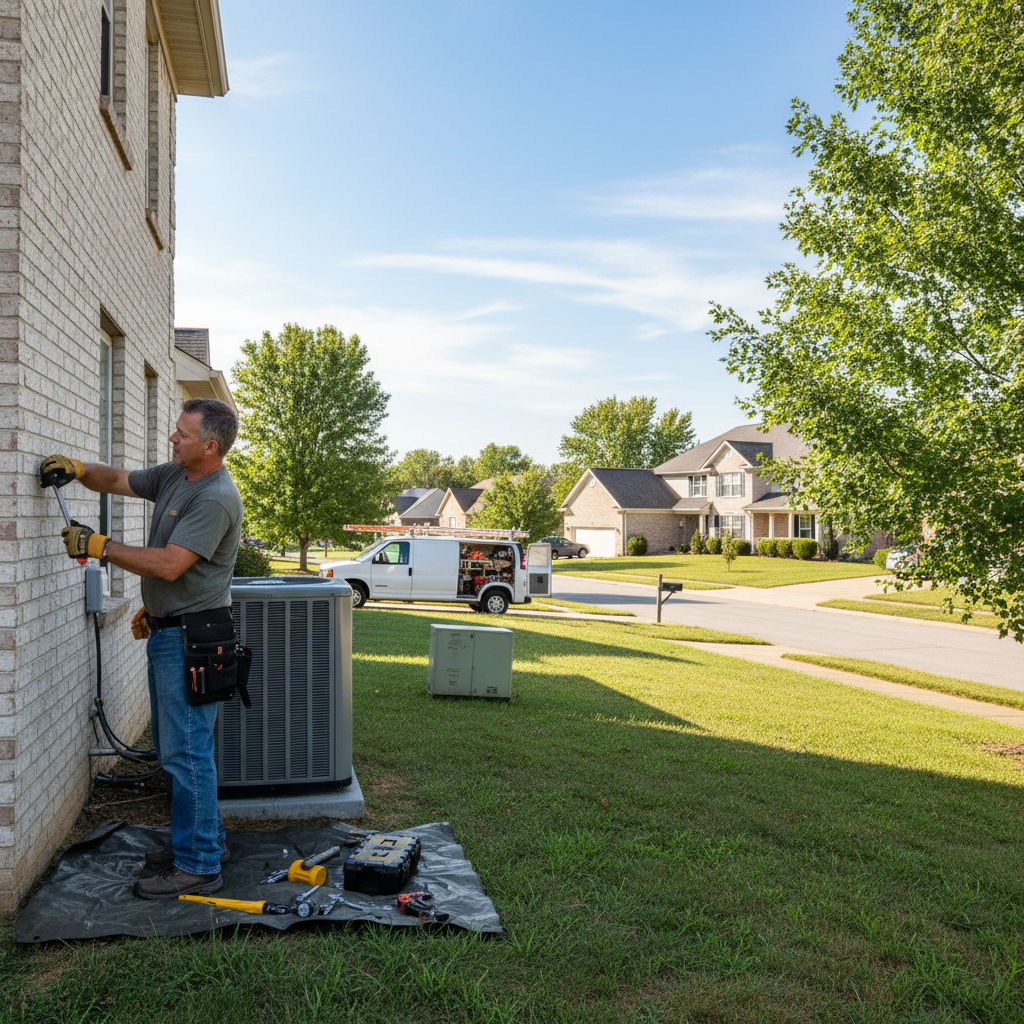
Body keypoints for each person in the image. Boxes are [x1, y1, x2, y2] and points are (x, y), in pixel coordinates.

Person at [40, 398, 242, 899]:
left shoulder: (215, 496)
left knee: (185, 754)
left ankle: (198, 864)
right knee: (186, 750)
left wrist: (98, 546)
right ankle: (203, 841)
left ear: (209, 446)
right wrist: (81, 469)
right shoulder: (177, 475)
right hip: (172, 630)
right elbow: (119, 480)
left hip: (194, 638)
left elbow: (172, 565)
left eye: (182, 434)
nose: (172, 439)